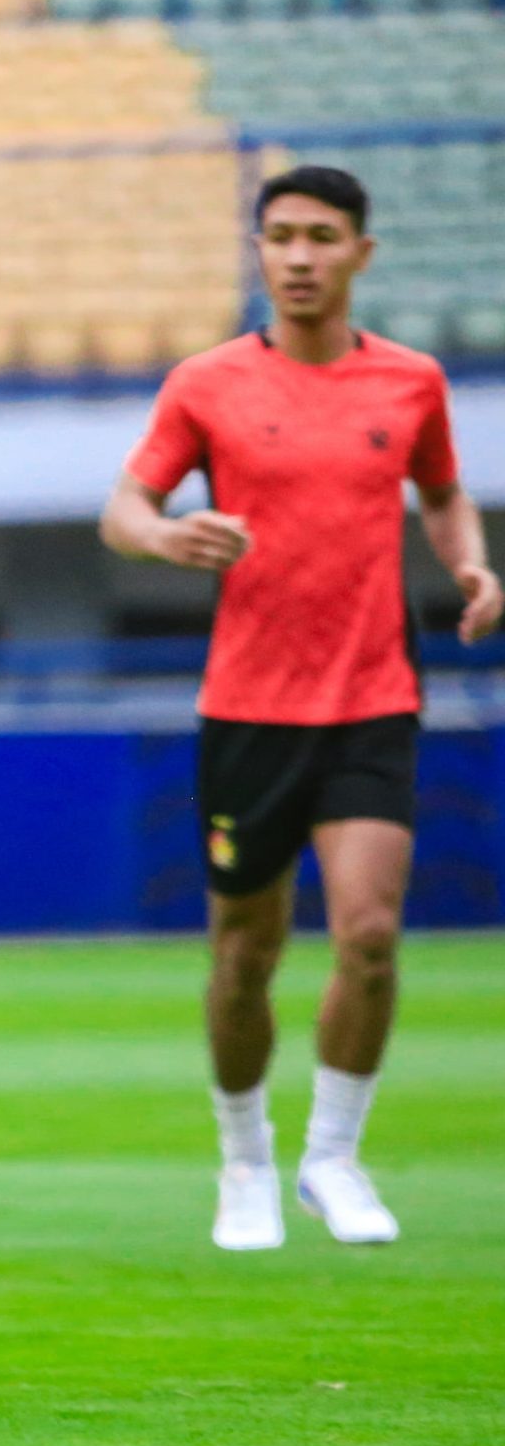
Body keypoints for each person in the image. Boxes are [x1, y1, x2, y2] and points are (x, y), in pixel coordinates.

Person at [101, 164, 499, 1253]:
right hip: (247, 707)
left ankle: (333, 1154)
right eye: (279, 235)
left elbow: (442, 490)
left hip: (372, 695)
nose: (299, 256)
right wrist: (165, 534)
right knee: (245, 949)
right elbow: (125, 505)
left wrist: (470, 564)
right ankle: (244, 1161)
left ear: (360, 252)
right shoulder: (206, 383)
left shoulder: (409, 382)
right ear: (259, 250)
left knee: (368, 932)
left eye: (321, 235)